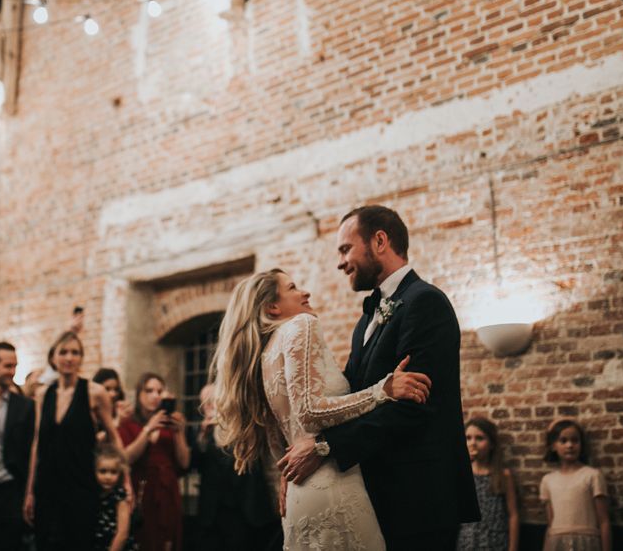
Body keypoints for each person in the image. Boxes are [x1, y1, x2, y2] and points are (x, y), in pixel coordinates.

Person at [278, 205, 480, 550]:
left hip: (418, 500)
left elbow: (415, 406)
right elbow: (353, 396)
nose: (340, 262)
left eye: (345, 249)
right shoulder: (365, 321)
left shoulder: (425, 302)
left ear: (380, 241)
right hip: (377, 495)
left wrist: (325, 447)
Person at [212, 268, 432, 550]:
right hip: (332, 486)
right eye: (293, 288)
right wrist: (383, 391)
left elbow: (277, 440)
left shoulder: (263, 355)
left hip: (299, 494)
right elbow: (311, 411)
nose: (305, 293)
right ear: (272, 307)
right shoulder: (300, 325)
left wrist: (286, 475)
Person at [23, 330, 125, 551]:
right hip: (47, 486)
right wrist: (30, 491)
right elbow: (37, 442)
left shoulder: (94, 392)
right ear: (53, 358)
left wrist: (126, 483)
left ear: (81, 358)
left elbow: (114, 436)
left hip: (81, 486)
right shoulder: (43, 394)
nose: (69, 358)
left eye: (75, 353)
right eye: (63, 352)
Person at [190, 383, 282, 551]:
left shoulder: (242, 423)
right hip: (213, 512)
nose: (208, 407)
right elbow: (193, 464)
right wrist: (203, 436)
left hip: (244, 508)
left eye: (212, 401)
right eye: (204, 403)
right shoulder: (202, 430)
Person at [118, 372, 190, 551]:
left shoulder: (171, 423)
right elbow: (127, 458)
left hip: (168, 489)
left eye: (159, 391)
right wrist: (148, 429)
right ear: (139, 394)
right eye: (149, 390)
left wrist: (180, 432)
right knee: (144, 538)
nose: (155, 396)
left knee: (167, 539)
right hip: (141, 489)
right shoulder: (129, 423)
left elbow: (184, 463)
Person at [0, 342, 35, 551]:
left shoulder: (25, 406)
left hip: (9, 491)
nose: (12, 372)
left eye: (15, 367)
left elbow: (30, 452)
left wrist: (28, 493)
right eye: (7, 366)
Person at [540, 419, 611, 551]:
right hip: (557, 542)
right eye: (563, 440)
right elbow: (550, 524)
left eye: (575, 440)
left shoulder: (592, 475)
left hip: (587, 542)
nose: (570, 445)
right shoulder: (547, 480)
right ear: (553, 446)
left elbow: (604, 521)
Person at [457, 417, 519, 551]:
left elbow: (513, 514)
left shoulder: (503, 475)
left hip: (495, 541)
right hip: (468, 540)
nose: (473, 443)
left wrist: (512, 548)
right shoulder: (463, 473)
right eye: (468, 438)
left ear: (492, 444)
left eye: (479, 438)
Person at [94, 444, 137, 551]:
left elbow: (122, 533)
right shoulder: (94, 494)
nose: (108, 477)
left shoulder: (119, 496)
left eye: (113, 472)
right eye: (103, 471)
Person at [93, 368, 131, 442]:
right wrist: (116, 422)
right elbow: (91, 442)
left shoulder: (117, 409)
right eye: (107, 389)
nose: (113, 394)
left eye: (116, 389)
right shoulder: (90, 411)